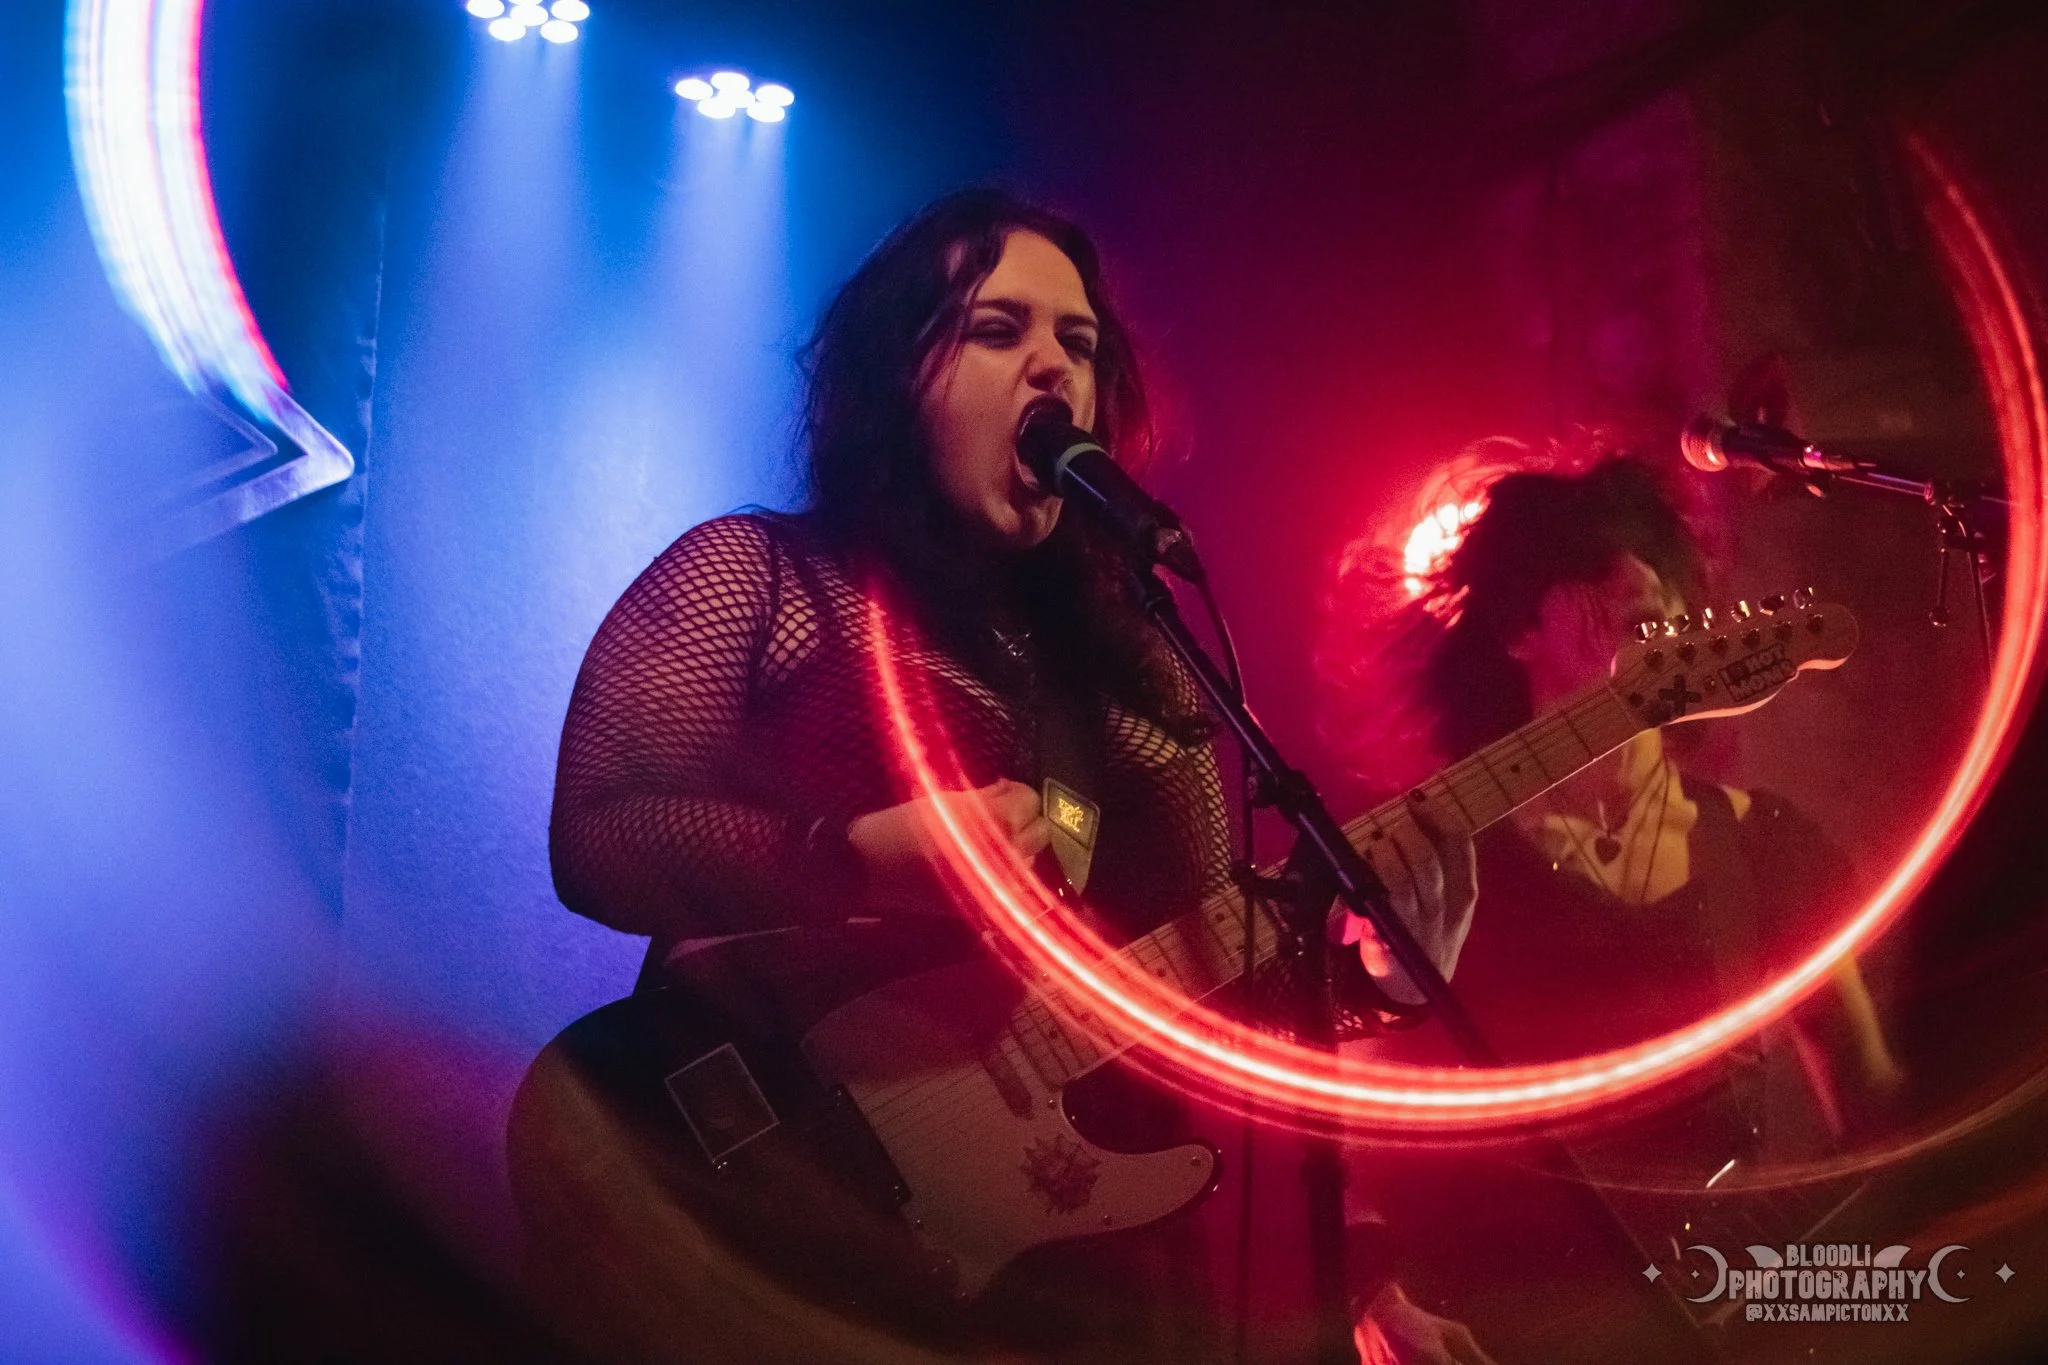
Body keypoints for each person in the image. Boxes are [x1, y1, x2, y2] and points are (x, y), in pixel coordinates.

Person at [539, 188, 1474, 1363]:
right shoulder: (767, 580)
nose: (1053, 369)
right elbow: (600, 833)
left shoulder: (1139, 668)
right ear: (896, 380)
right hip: (770, 1203)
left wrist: (1375, 982)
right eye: (998, 331)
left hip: (1067, 1281)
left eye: (1077, 344)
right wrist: (854, 857)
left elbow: (1200, 987)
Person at [1319, 444, 1900, 1364]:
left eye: (1660, 576)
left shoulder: (1765, 850)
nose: (1646, 591)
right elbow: (1338, 1131)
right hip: (1481, 1331)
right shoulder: (1435, 859)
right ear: (1519, 628)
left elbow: (1882, 1125)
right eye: (1598, 566)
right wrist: (1374, 1300)